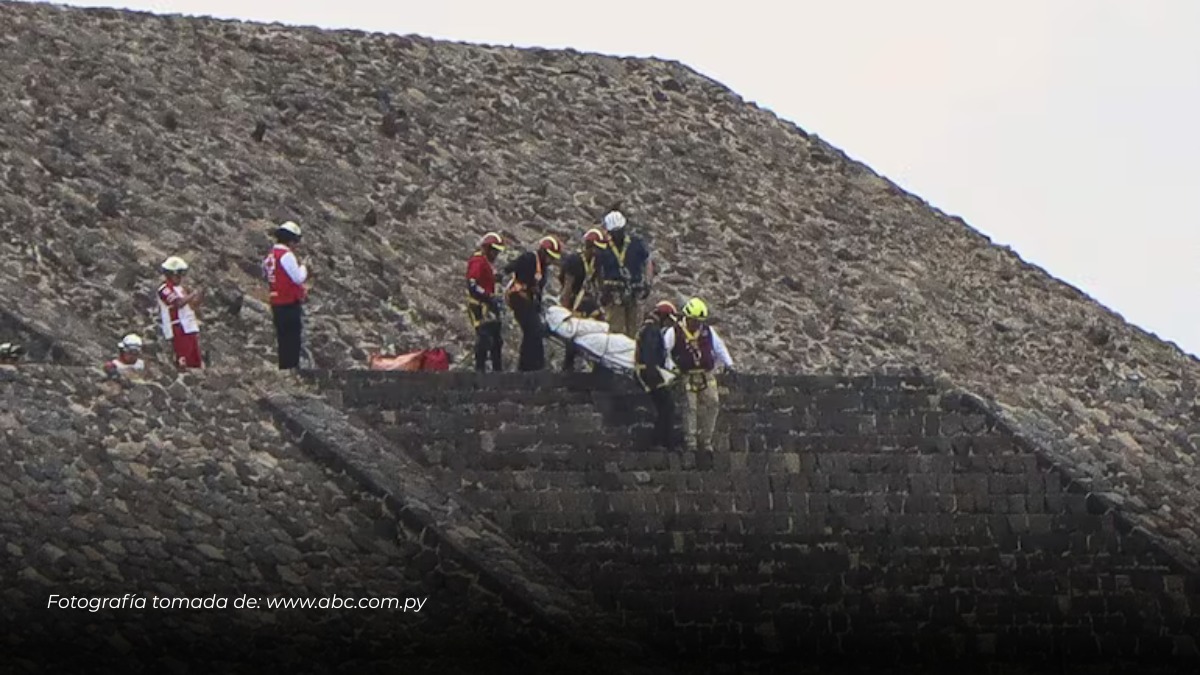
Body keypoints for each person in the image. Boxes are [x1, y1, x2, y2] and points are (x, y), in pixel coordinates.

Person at [662, 297, 734, 452]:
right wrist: (671, 367)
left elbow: (719, 347)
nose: (697, 324)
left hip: (706, 374)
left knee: (713, 403)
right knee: (690, 407)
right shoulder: (674, 332)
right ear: (687, 318)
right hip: (687, 375)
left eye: (700, 321)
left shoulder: (707, 331)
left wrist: (729, 364)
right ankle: (691, 442)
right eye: (695, 320)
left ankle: (706, 440)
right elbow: (665, 351)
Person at [502, 235, 561, 371]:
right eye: (549, 256)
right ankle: (531, 366)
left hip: (530, 301)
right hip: (518, 298)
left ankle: (529, 366)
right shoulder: (529, 258)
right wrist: (501, 274)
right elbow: (512, 266)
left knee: (532, 332)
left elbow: (538, 289)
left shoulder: (543, 268)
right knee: (534, 329)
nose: (550, 260)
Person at [595, 210, 653, 338]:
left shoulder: (636, 244)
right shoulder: (604, 249)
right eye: (614, 232)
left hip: (634, 291)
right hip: (614, 294)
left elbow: (647, 261)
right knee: (616, 331)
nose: (617, 235)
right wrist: (602, 290)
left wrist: (648, 283)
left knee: (635, 331)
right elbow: (599, 271)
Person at [262, 221, 309, 370]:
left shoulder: (270, 256)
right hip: (289, 302)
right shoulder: (286, 255)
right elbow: (298, 278)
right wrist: (304, 267)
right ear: (291, 240)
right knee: (292, 340)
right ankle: (291, 368)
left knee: (283, 340)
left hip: (276, 301)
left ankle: (284, 368)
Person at [558, 229, 606, 371]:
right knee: (573, 335)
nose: (598, 252)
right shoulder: (574, 261)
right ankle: (569, 367)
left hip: (588, 301)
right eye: (596, 249)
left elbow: (599, 281)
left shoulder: (597, 262)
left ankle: (597, 365)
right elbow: (567, 287)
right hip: (574, 301)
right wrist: (565, 311)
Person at [634, 301, 679, 449]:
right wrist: (656, 376)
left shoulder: (648, 328)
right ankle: (662, 441)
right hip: (650, 373)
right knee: (667, 406)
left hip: (648, 371)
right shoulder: (652, 330)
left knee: (664, 407)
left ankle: (662, 441)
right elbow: (650, 356)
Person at [465, 232, 507, 372]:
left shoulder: (486, 263)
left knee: (496, 341)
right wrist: (489, 296)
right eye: (494, 251)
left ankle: (497, 371)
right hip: (479, 306)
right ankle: (480, 371)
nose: (496, 255)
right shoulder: (478, 261)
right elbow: (473, 284)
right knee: (484, 339)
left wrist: (495, 279)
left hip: (489, 306)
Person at [157, 256, 204, 369]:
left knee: (194, 361)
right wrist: (192, 294)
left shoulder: (181, 289)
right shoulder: (165, 289)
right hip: (178, 327)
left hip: (189, 327)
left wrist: (200, 293)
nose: (180, 278)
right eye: (177, 275)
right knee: (183, 360)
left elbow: (192, 305)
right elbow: (178, 304)